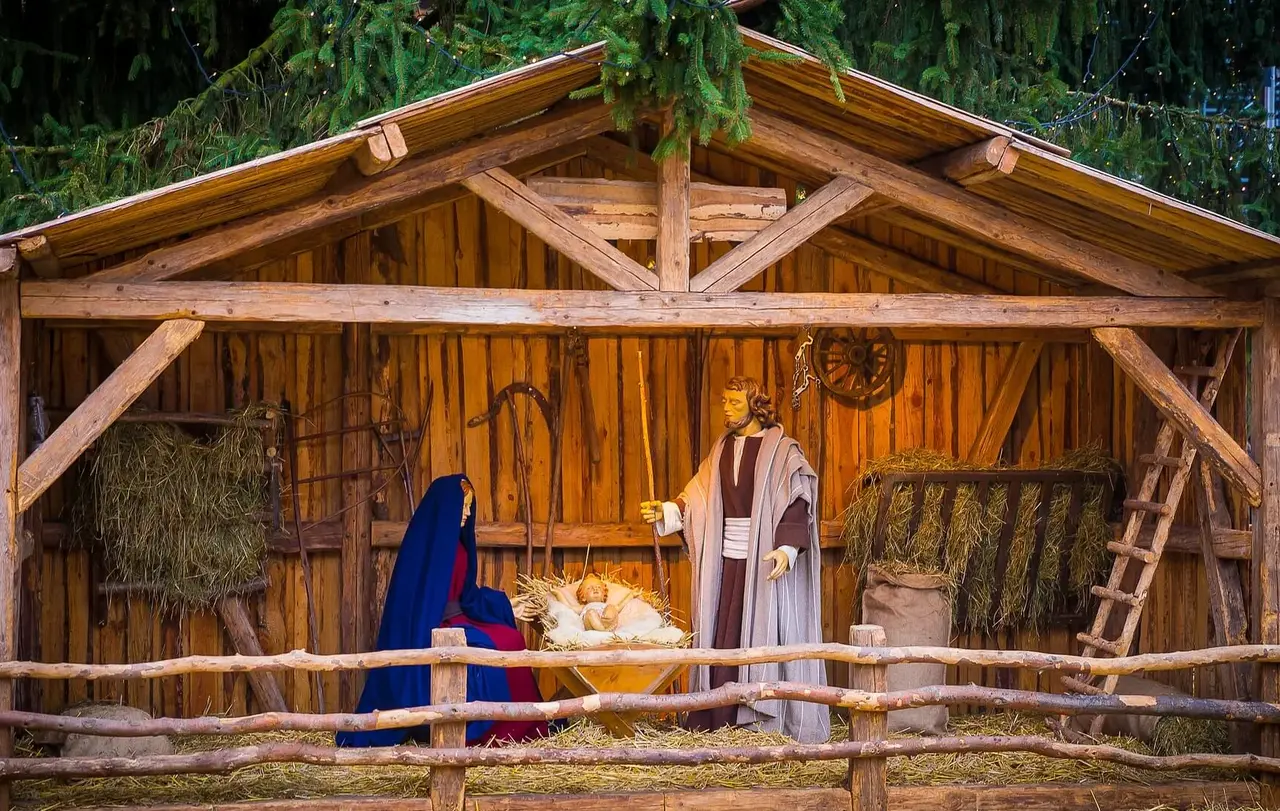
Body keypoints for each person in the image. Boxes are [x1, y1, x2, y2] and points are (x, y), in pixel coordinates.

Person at [640, 376, 829, 743]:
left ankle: (761, 720)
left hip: (765, 563)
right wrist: (667, 510)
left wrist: (787, 549)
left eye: (734, 403)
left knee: (764, 636)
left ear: (755, 406)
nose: (726, 409)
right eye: (724, 401)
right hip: (725, 566)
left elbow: (797, 498)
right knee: (723, 639)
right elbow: (697, 496)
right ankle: (718, 718)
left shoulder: (784, 451)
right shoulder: (722, 449)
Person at [337, 474, 547, 747]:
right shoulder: (425, 544)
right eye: (463, 506)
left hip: (460, 618)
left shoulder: (459, 543)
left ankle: (522, 722)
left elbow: (466, 594)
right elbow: (416, 601)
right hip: (433, 626)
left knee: (510, 638)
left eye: (469, 506)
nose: (468, 513)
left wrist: (504, 604)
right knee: (493, 646)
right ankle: (488, 728)